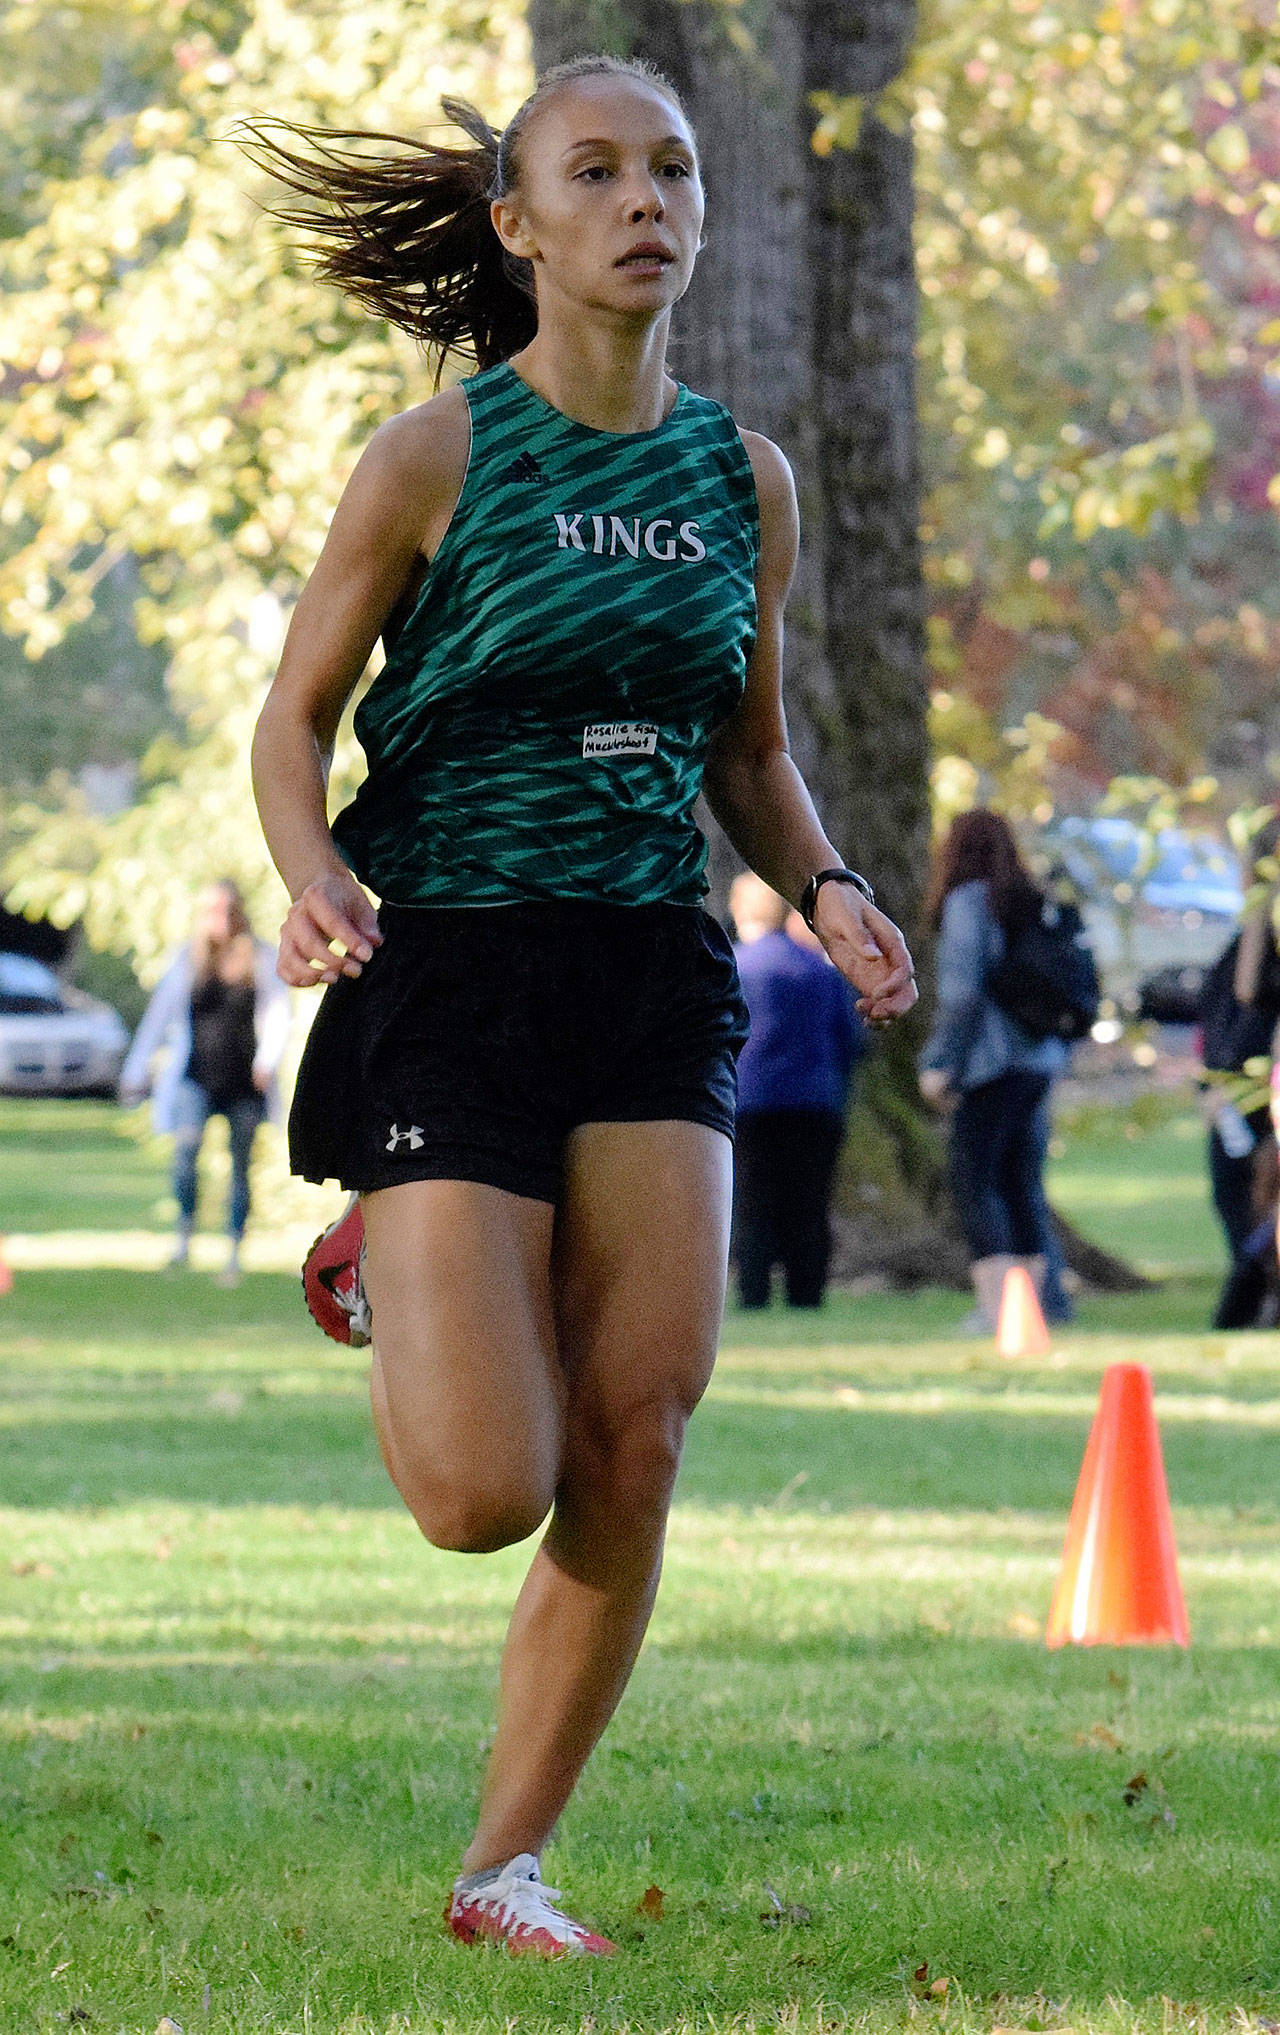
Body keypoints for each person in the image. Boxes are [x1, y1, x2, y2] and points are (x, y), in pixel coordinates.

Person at [243, 56, 917, 1957]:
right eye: (599, 172)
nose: (649, 201)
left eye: (677, 171)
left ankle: (497, 1871)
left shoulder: (741, 476)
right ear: (518, 225)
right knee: (480, 1492)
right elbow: (292, 723)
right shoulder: (437, 454)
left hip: (651, 970)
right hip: (451, 962)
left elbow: (754, 752)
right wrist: (315, 877)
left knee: (637, 1440)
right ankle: (397, 1251)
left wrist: (835, 889)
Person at [919, 810, 1067, 1332]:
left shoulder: (968, 903)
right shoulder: (1030, 901)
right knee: (1022, 1182)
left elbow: (961, 994)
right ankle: (1041, 1307)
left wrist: (940, 1063)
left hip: (992, 1062)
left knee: (975, 1180)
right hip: (1041, 1059)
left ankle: (999, 1309)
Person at [118, 880, 291, 1284]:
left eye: (227, 909)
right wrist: (136, 1070)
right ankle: (184, 1238)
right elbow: (159, 1018)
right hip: (195, 1078)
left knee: (240, 1166)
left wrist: (267, 1061)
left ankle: (234, 1250)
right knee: (185, 1154)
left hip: (245, 1083)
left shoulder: (259, 958)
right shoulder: (187, 960)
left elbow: (278, 1013)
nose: (221, 918)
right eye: (213, 910)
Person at [729, 872, 865, 1308]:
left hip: (750, 1101)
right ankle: (806, 1290)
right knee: (808, 1201)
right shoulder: (820, 972)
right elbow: (850, 1039)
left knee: (752, 1199)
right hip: (815, 1100)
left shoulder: (734, 968)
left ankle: (753, 1290)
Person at [1197, 835, 1280, 1327]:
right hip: (1237, 1080)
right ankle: (1257, 1289)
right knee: (1242, 1192)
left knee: (1252, 1189)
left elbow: (1250, 992)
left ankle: (1258, 1290)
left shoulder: (1262, 924)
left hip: (1255, 1082)